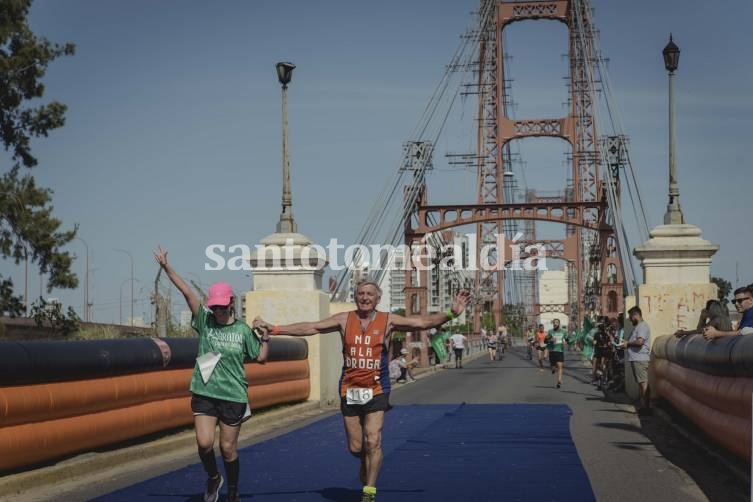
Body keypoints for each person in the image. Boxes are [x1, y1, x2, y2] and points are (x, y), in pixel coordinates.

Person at [253, 281, 470, 502]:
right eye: (360, 294)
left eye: (370, 294)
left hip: (377, 388)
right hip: (350, 388)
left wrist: (451, 313)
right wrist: (276, 329)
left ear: (377, 299)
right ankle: (364, 461)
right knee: (357, 447)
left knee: (373, 440)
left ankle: (369, 491)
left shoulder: (388, 320)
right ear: (356, 297)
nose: (365, 297)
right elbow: (312, 327)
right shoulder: (344, 319)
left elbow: (421, 322)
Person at [154, 247, 268, 502]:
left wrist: (266, 337)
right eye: (213, 307)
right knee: (204, 444)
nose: (217, 311)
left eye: (221, 307)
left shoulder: (242, 330)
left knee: (227, 448)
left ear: (230, 304)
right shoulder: (205, 322)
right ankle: (214, 477)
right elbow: (186, 291)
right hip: (205, 392)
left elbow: (261, 357)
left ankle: (233, 493)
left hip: (233, 395)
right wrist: (166, 267)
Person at [621, 306, 651, 414]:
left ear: (636, 315)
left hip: (640, 359)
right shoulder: (639, 327)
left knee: (643, 383)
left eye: (630, 317)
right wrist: (626, 343)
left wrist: (628, 344)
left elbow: (640, 342)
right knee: (641, 383)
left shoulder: (642, 327)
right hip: (637, 359)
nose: (630, 319)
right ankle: (644, 406)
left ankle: (646, 408)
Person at [544, 318, 567, 388]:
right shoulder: (550, 331)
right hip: (552, 351)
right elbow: (545, 341)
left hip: (560, 350)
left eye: (556, 322)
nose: (555, 324)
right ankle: (553, 369)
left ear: (559, 324)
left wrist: (566, 342)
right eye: (554, 323)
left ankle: (559, 381)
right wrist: (550, 340)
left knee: (560, 366)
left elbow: (567, 339)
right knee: (553, 366)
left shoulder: (563, 332)